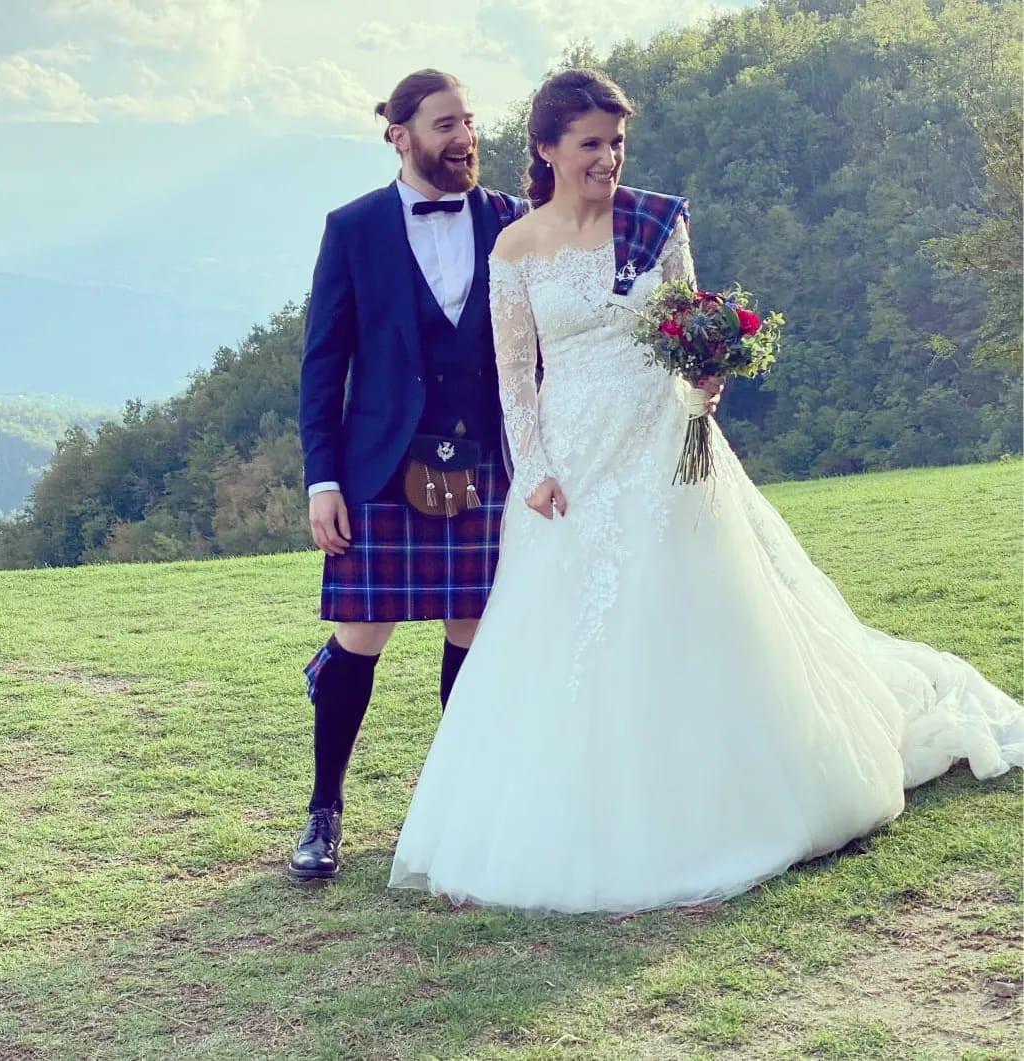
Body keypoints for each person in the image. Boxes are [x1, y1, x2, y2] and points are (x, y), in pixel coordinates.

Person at [388, 68, 1024, 913]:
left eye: (617, 142)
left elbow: (687, 325)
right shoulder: (515, 248)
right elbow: (513, 374)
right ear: (545, 149)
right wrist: (532, 465)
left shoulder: (657, 221)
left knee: (689, 606)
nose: (607, 158)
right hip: (573, 462)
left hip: (667, 444)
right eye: (589, 144)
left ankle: (734, 793)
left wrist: (704, 380)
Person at [289, 69, 528, 881]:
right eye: (444, 125)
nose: (464, 138)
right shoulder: (352, 227)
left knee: (472, 633)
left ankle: (464, 807)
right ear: (399, 135)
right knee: (360, 635)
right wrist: (322, 480)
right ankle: (323, 808)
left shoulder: (509, 219)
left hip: (486, 462)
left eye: (469, 121)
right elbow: (323, 364)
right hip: (381, 466)